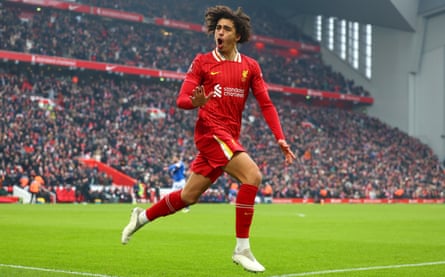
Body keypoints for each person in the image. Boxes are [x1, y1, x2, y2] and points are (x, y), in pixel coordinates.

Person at [121, 5, 295, 273]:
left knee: (188, 196)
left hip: (228, 137)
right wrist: (195, 101)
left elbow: (266, 104)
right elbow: (181, 99)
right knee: (253, 176)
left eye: (226, 29)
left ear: (237, 36)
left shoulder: (251, 67)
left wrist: (280, 138)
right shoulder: (203, 61)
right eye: (218, 28)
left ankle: (140, 218)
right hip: (210, 132)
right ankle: (242, 249)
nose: (220, 33)